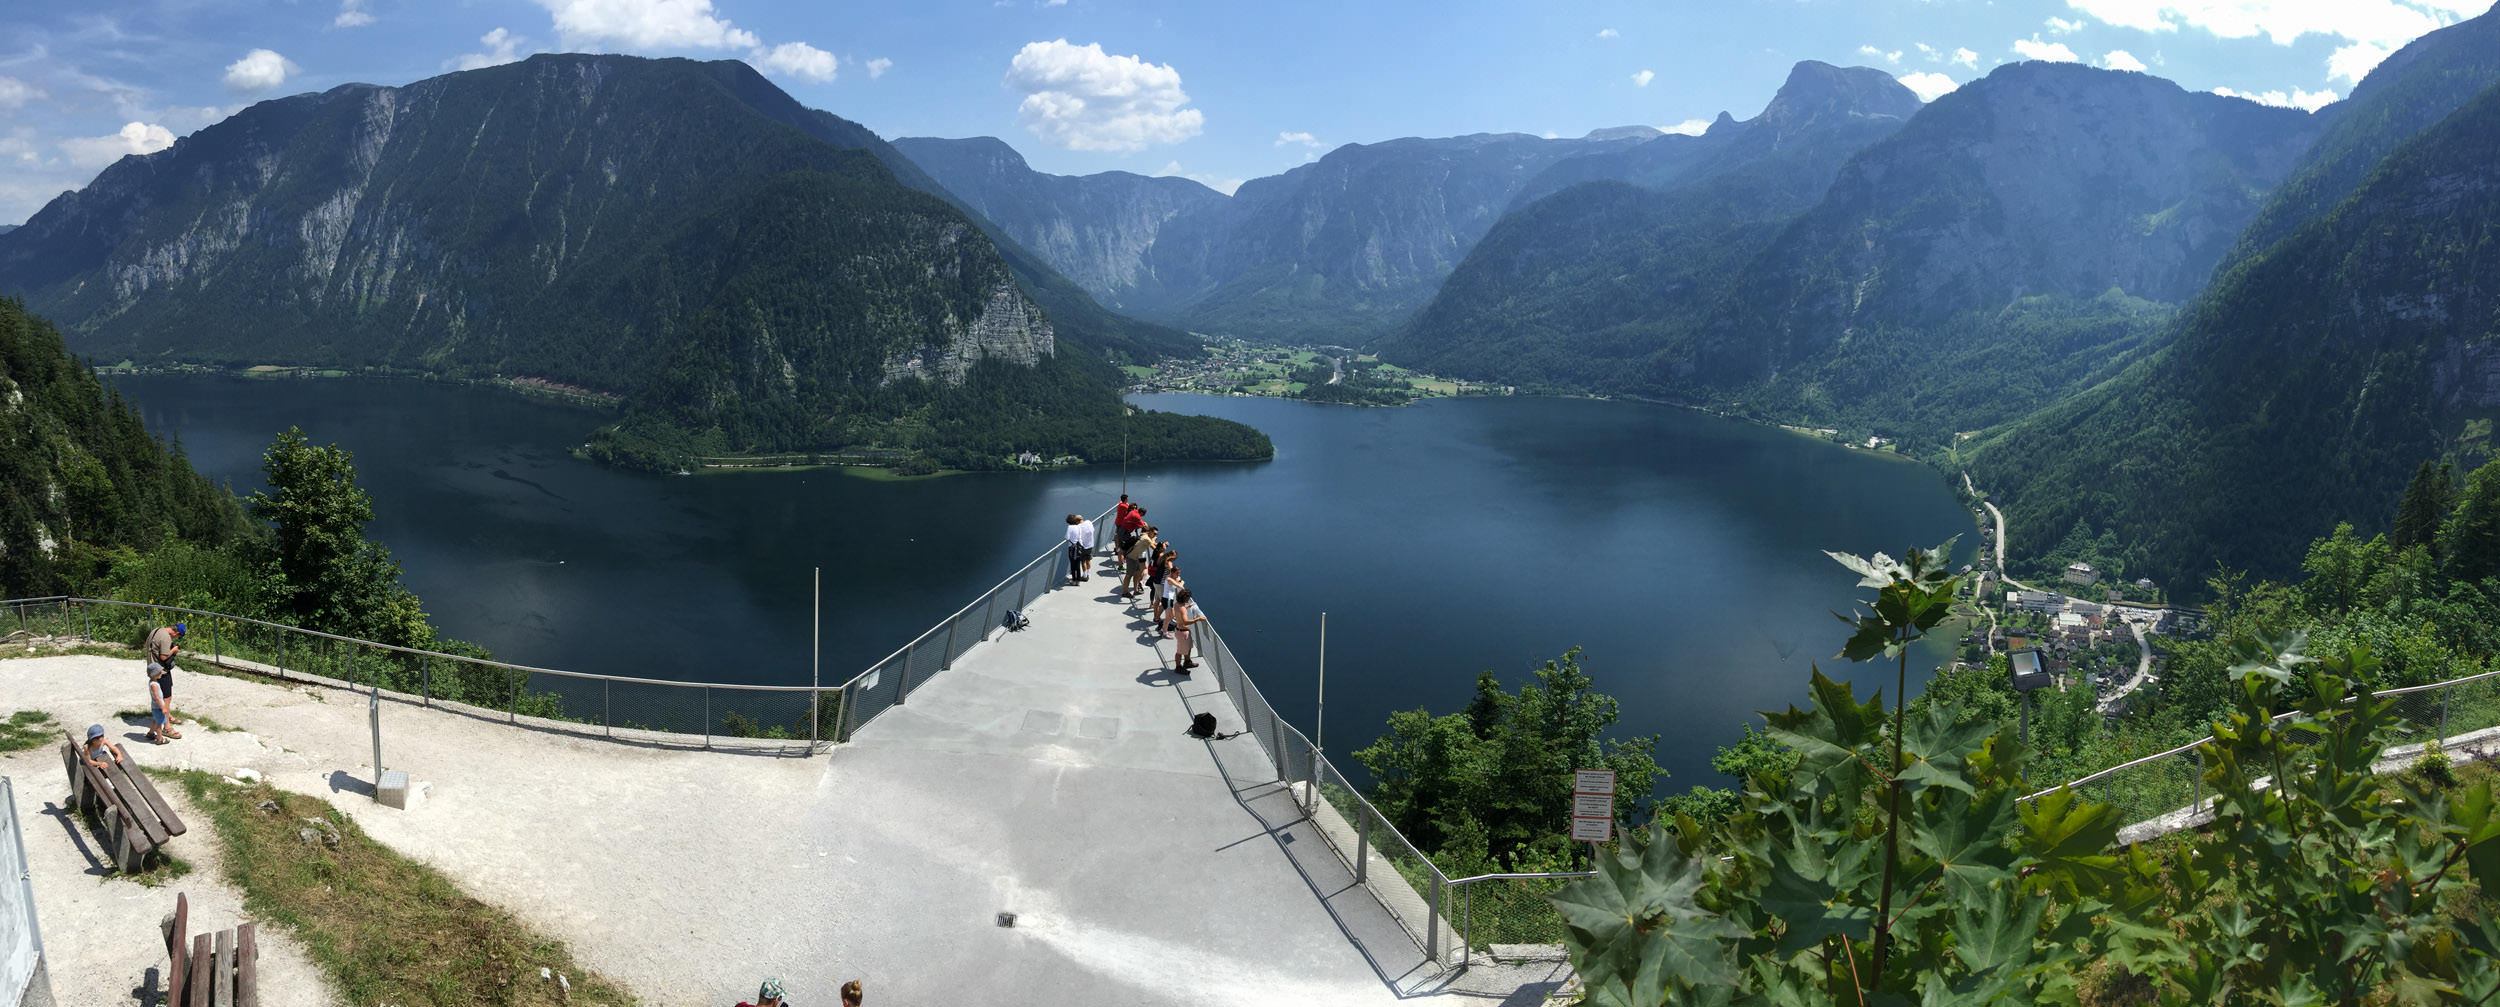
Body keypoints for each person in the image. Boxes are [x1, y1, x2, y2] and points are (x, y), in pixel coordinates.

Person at [144, 622, 186, 720]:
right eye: (177, 637)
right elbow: (163, 657)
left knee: (162, 696)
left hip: (153, 668)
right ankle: (166, 726)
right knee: (166, 698)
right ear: (177, 633)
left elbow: (146, 644)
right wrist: (173, 650)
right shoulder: (166, 637)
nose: (175, 638)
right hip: (161, 671)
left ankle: (168, 716)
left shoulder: (156, 630)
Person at [1171, 587, 1207, 674]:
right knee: (1180, 651)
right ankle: (1178, 667)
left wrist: (1188, 606)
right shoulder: (1182, 608)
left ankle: (1187, 662)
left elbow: (1181, 609)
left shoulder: (1177, 604)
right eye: (1188, 597)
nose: (1189, 599)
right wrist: (1198, 619)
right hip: (1182, 633)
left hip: (1181, 631)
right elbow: (1185, 621)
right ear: (1185, 598)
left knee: (1188, 648)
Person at [146, 663, 181, 744]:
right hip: (158, 707)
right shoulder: (154, 685)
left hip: (155, 707)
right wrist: (163, 707)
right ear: (155, 674)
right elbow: (157, 698)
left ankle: (150, 734)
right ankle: (159, 739)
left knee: (155, 720)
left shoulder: (152, 681)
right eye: (159, 672)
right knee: (159, 724)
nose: (161, 673)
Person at [1121, 523, 1158, 600]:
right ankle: (1125, 592)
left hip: (1136, 557)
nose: (1155, 535)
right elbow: (1155, 548)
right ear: (1150, 532)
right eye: (1154, 533)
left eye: (1156, 534)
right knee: (1128, 575)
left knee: (1137, 573)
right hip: (1131, 557)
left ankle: (1135, 590)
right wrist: (1154, 540)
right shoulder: (1147, 539)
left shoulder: (1145, 535)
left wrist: (1153, 540)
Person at [1113, 495, 1144, 570]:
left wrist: (1130, 506)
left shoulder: (1120, 504)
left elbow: (1129, 508)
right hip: (1121, 526)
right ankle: (1123, 556)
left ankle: (1117, 548)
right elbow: (1131, 510)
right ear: (1126, 499)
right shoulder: (1126, 507)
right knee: (1126, 546)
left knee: (1117, 536)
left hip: (1119, 523)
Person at [1063, 513, 1096, 584]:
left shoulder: (1077, 526)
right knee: (1088, 560)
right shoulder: (1089, 522)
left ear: (1077, 521)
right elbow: (1092, 530)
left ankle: (1082, 577)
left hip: (1080, 547)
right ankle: (1087, 574)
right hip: (1090, 545)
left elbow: (1067, 537)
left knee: (1080, 562)